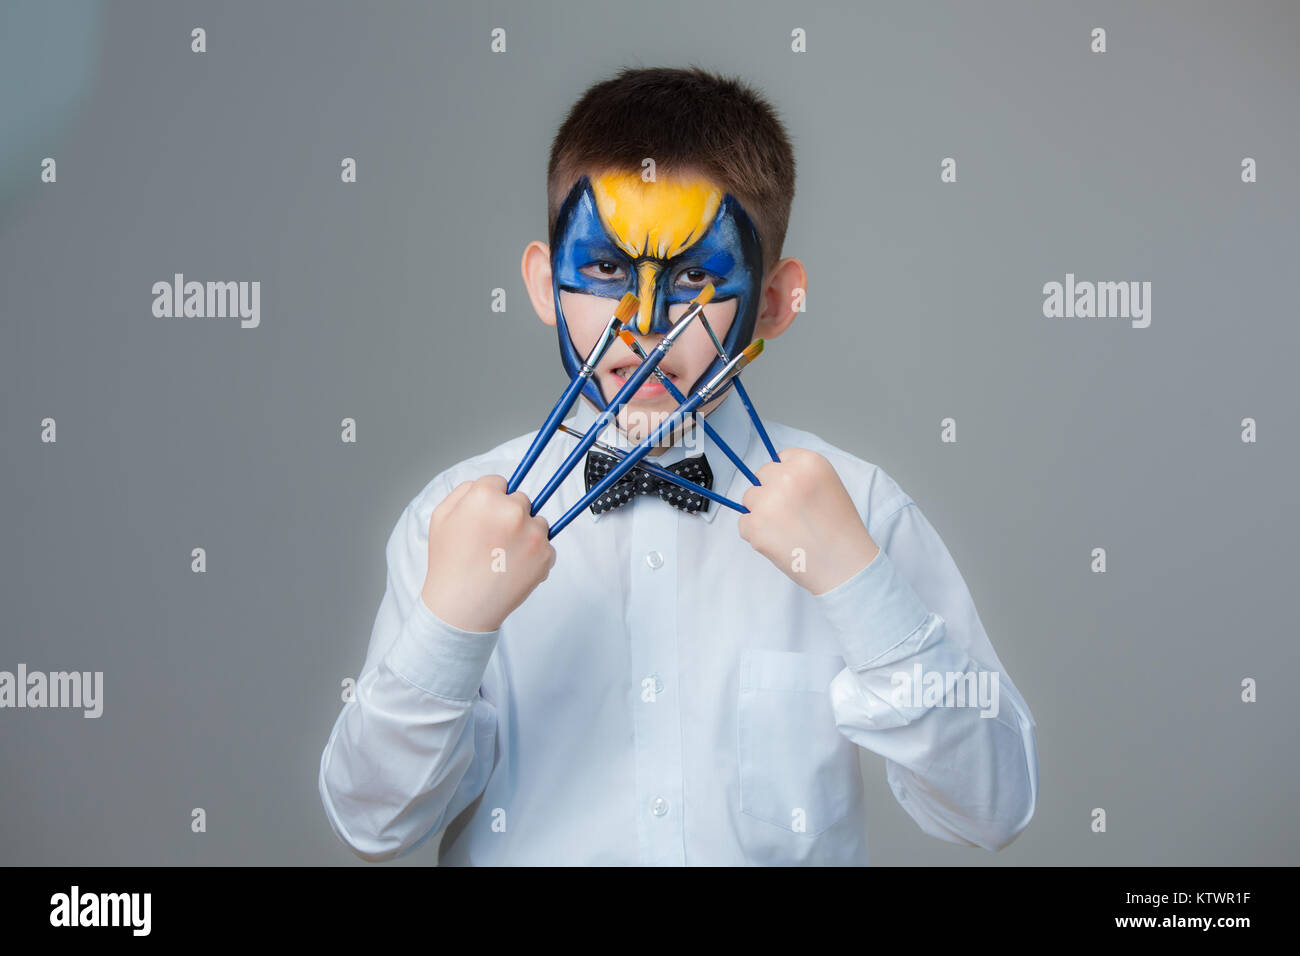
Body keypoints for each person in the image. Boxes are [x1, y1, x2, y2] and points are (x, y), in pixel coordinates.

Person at [317, 66, 1038, 865]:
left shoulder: (863, 510)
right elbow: (371, 825)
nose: (643, 325)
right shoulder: (449, 517)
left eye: (696, 276)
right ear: (542, 286)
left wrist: (858, 583)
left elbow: (993, 807)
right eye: (603, 272)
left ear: (773, 301)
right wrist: (452, 624)